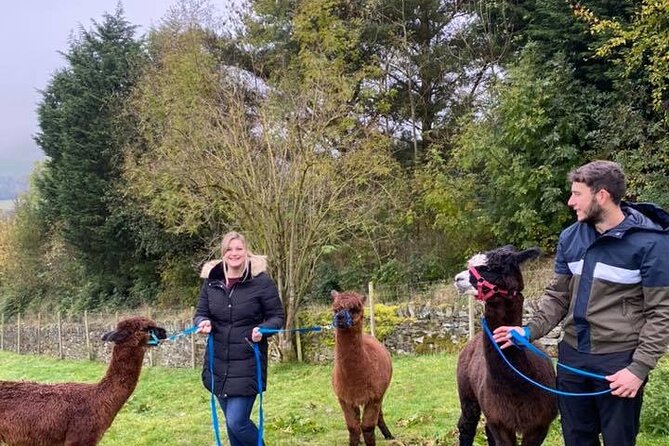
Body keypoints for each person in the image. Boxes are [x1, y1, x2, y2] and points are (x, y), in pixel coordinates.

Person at [493, 160, 669, 446]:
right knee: (577, 440)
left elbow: (661, 314)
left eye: (577, 194)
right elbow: (558, 297)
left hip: (619, 362)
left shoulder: (651, 244)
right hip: (573, 358)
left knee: (618, 440)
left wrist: (638, 370)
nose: (570, 201)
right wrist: (527, 331)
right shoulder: (570, 237)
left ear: (602, 196)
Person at [194, 231, 284, 446]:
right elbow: (200, 312)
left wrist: (263, 328)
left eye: (239, 249)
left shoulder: (260, 282)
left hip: (247, 362)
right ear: (223, 253)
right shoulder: (211, 282)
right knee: (232, 426)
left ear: (246, 252)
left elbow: (277, 317)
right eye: (229, 249)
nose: (234, 253)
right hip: (218, 365)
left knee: (237, 422)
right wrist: (202, 322)